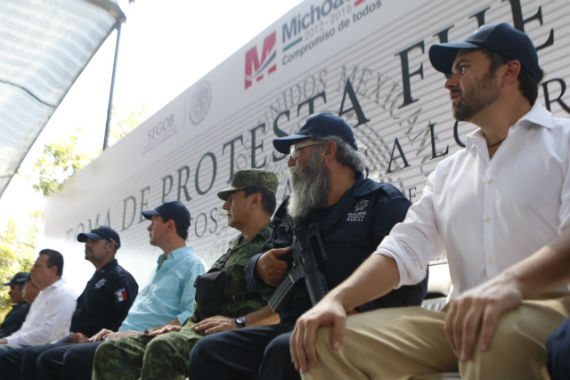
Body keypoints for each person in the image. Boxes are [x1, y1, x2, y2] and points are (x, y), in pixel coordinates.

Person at [290, 23, 570, 380]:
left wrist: (510, 285)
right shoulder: (448, 171)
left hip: (551, 308)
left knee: (493, 331)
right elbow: (403, 249)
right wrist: (335, 300)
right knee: (323, 339)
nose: (449, 82)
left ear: (509, 72)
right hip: (459, 319)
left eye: (463, 68)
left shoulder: (563, 142)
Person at [188, 112, 428, 379]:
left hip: (361, 329)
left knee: (284, 351)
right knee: (209, 352)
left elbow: (410, 284)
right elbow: (258, 268)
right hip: (296, 325)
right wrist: (260, 267)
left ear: (328, 151)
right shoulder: (296, 211)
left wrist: (351, 308)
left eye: (297, 151)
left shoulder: (382, 203)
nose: (290, 162)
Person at [93, 169, 281, 380]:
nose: (225, 206)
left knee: (164, 349)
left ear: (255, 200)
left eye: (231, 198)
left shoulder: (276, 244)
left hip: (236, 334)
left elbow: (283, 305)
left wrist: (240, 322)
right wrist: (178, 328)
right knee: (115, 350)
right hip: (198, 328)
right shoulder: (235, 247)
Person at [32, 201, 205, 380]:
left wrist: (142, 334)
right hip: (124, 337)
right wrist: (115, 332)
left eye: (154, 221)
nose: (148, 228)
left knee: (74, 357)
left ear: (170, 225)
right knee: (48, 359)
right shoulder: (159, 266)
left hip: (147, 342)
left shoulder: (193, 264)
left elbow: (190, 315)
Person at [0, 226, 139, 379]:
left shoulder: (120, 279)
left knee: (40, 357)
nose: (87, 244)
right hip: (74, 339)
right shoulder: (97, 277)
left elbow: (124, 320)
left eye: (93, 241)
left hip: (97, 343)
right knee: (30, 356)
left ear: (110, 246)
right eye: (86, 241)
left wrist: (93, 339)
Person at [0, 249, 76, 348]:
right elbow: (26, 329)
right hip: (27, 347)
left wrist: (6, 342)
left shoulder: (64, 294)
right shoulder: (43, 294)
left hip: (44, 350)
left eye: (37, 266)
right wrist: (6, 341)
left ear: (53, 270)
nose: (32, 269)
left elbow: (48, 335)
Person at [0, 272, 32, 338]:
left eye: (12, 288)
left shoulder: (23, 310)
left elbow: (7, 336)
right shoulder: (21, 308)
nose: (9, 293)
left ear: (24, 288)